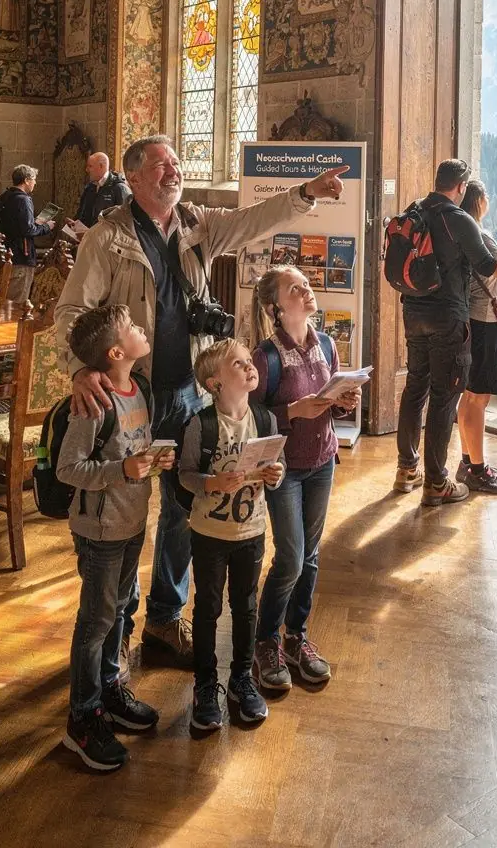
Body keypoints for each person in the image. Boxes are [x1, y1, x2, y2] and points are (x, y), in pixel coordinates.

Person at [55, 133, 346, 669]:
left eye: (175, 162)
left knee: (183, 507)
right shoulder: (108, 237)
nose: (174, 170)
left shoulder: (196, 224)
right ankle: (116, 626)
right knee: (129, 507)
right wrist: (79, 369)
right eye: (162, 164)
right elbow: (72, 311)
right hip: (133, 397)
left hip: (190, 390)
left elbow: (251, 221)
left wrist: (305, 192)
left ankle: (166, 617)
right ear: (136, 177)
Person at [57, 304, 172, 772]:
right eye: (134, 328)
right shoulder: (93, 403)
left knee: (122, 608)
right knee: (96, 621)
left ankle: (109, 690)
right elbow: (69, 468)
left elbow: (133, 447)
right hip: (100, 530)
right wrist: (120, 469)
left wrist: (149, 461)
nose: (144, 329)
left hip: (131, 521)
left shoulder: (138, 388)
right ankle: (81, 718)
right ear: (117, 351)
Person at [249, 265, 361, 693]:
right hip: (286, 469)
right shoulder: (265, 357)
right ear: (277, 308)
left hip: (323, 462)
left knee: (310, 556)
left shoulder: (327, 344)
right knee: (291, 558)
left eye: (306, 285)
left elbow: (332, 408)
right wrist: (294, 411)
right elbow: (251, 418)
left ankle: (296, 637)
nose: (307, 291)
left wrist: (343, 402)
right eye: (296, 288)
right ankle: (266, 641)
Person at [394, 159, 497, 506]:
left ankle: (407, 469)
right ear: (461, 187)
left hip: (412, 311)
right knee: (444, 396)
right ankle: (437, 481)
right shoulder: (458, 218)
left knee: (415, 387)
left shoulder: (415, 209)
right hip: (447, 316)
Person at [179, 339, 284, 733]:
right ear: (215, 382)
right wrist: (211, 482)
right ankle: (205, 684)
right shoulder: (201, 426)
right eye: (238, 364)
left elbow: (277, 466)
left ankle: (241, 678)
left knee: (246, 606)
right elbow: (185, 474)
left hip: (251, 531)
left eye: (248, 362)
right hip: (208, 533)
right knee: (207, 609)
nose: (249, 367)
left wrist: (276, 476)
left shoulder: (265, 420)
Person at [456, 180, 497, 495]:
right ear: (478, 201)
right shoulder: (482, 236)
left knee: (468, 395)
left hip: (466, 321)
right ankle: (478, 471)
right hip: (483, 323)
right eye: (487, 196)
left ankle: (468, 461)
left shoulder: (459, 231)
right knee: (480, 398)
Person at [0, 164, 49, 303]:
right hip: (21, 255)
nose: (35, 183)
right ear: (26, 180)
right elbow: (27, 230)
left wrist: (34, 223)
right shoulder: (23, 199)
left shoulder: (4, 197)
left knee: (5, 299)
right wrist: (46, 227)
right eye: (34, 179)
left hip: (5, 252)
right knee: (17, 301)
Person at [76, 152, 130, 230]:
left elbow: (126, 223)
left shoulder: (119, 188)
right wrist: (75, 224)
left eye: (90, 166)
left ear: (101, 166)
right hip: (87, 239)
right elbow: (81, 214)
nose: (86, 170)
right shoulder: (89, 188)